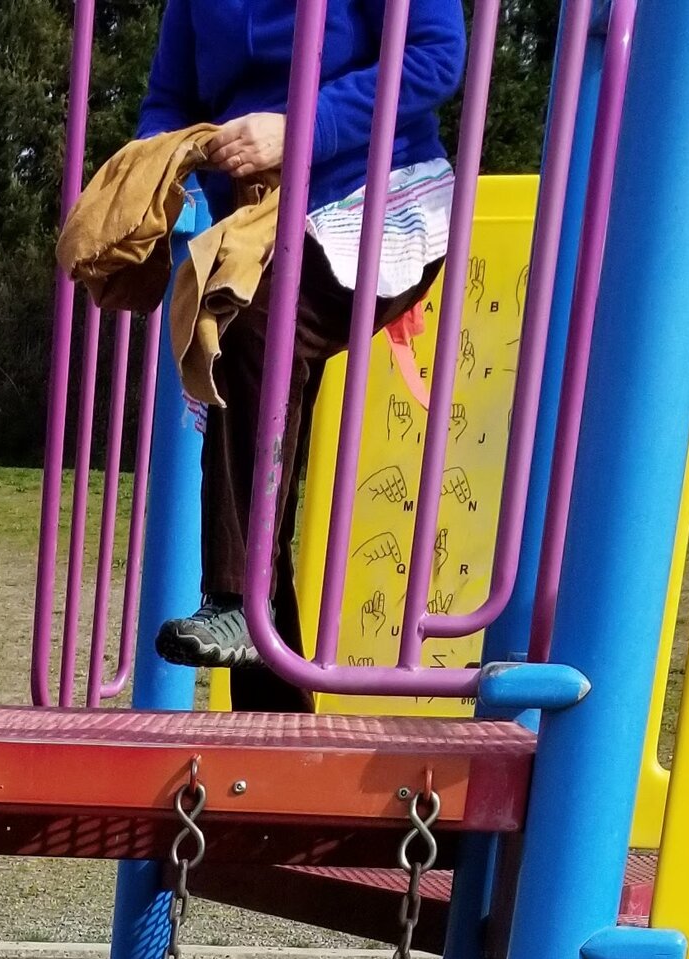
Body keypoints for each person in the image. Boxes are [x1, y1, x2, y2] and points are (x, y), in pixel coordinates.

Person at [141, 0, 468, 685]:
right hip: (262, 215)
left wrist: (302, 128)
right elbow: (170, 98)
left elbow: (437, 55)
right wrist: (158, 165)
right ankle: (270, 697)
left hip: (376, 188)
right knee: (254, 391)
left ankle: (235, 597)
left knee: (252, 316)